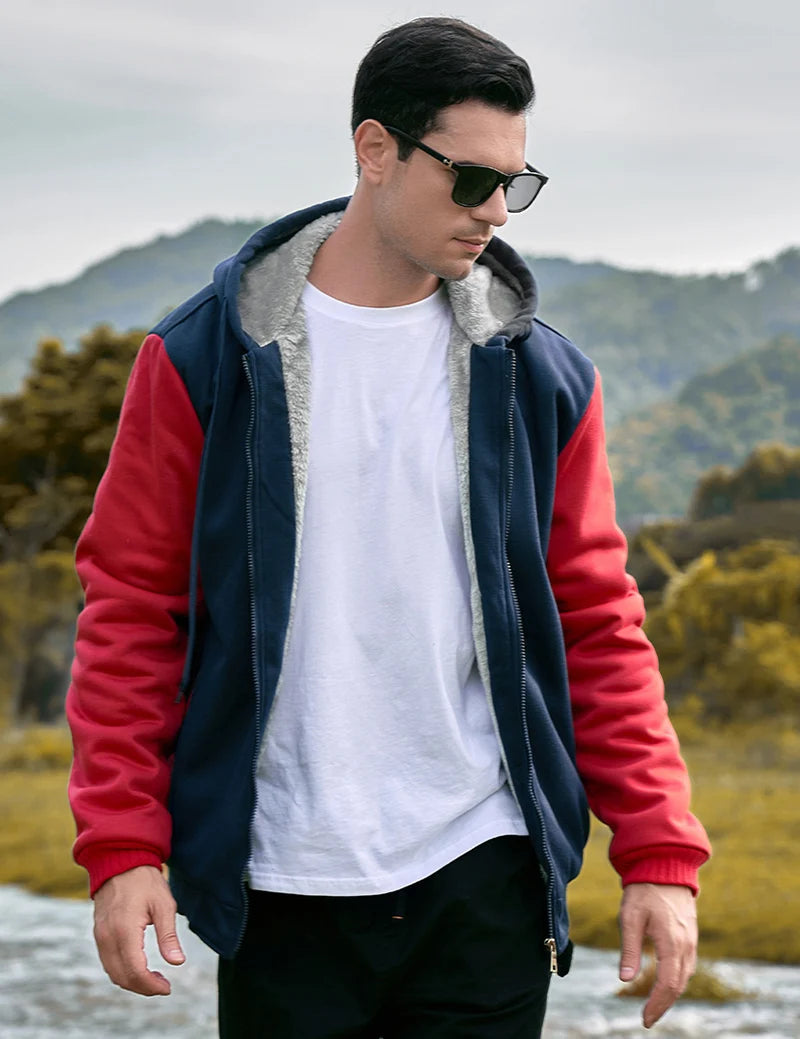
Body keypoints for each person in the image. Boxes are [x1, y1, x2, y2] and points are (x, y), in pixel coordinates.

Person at [67, 16, 711, 1038]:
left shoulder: (544, 378)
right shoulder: (201, 360)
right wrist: (123, 845)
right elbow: (133, 611)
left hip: (486, 874)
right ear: (375, 150)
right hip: (283, 877)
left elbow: (595, 619)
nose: (492, 210)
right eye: (470, 180)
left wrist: (658, 850)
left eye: (514, 184)